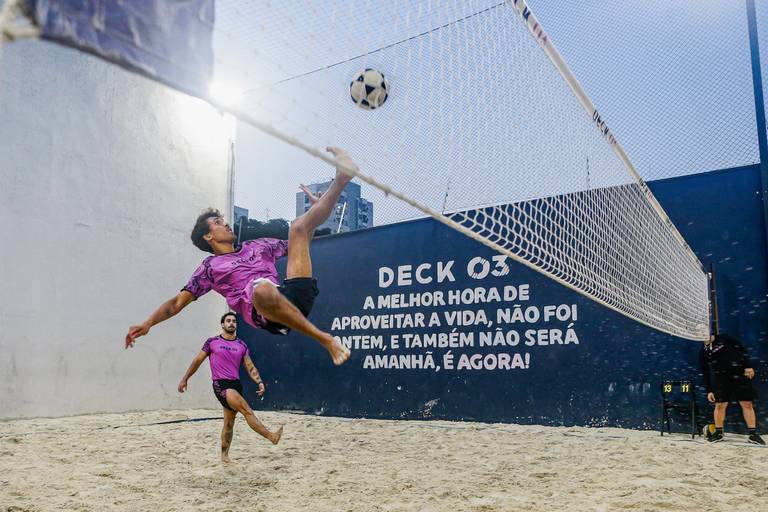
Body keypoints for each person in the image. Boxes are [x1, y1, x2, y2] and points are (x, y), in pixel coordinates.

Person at [125, 146, 354, 365]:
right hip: (266, 312)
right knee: (260, 288)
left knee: (297, 228)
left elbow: (299, 244)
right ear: (208, 236)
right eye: (218, 223)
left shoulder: (258, 246)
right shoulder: (210, 268)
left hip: (294, 295)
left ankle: (342, 179)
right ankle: (325, 339)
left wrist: (313, 213)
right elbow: (176, 303)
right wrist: (148, 323)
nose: (226, 224)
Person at [178, 312, 283, 461]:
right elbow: (197, 361)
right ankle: (271, 437)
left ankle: (224, 455)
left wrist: (259, 381)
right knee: (246, 409)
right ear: (222, 324)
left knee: (229, 424)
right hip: (221, 384)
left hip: (236, 385)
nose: (231, 323)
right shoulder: (212, 342)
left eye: (234, 321)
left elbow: (250, 366)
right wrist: (185, 379)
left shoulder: (241, 345)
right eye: (228, 321)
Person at [699, 332, 764, 444]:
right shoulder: (703, 352)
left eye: (704, 330)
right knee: (720, 405)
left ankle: (753, 435)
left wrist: (748, 366)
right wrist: (709, 390)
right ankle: (719, 434)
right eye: (700, 332)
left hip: (740, 375)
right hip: (721, 380)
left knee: (747, 404)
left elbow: (741, 348)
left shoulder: (724, 338)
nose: (702, 333)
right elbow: (706, 372)